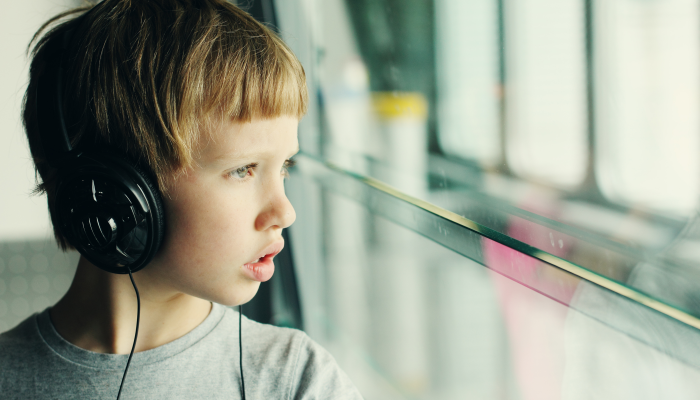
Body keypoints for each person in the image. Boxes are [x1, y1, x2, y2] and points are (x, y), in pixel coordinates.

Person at [0, 0, 363, 399]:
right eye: (242, 170)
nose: (285, 212)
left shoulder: (297, 379)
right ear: (116, 190)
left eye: (284, 167)